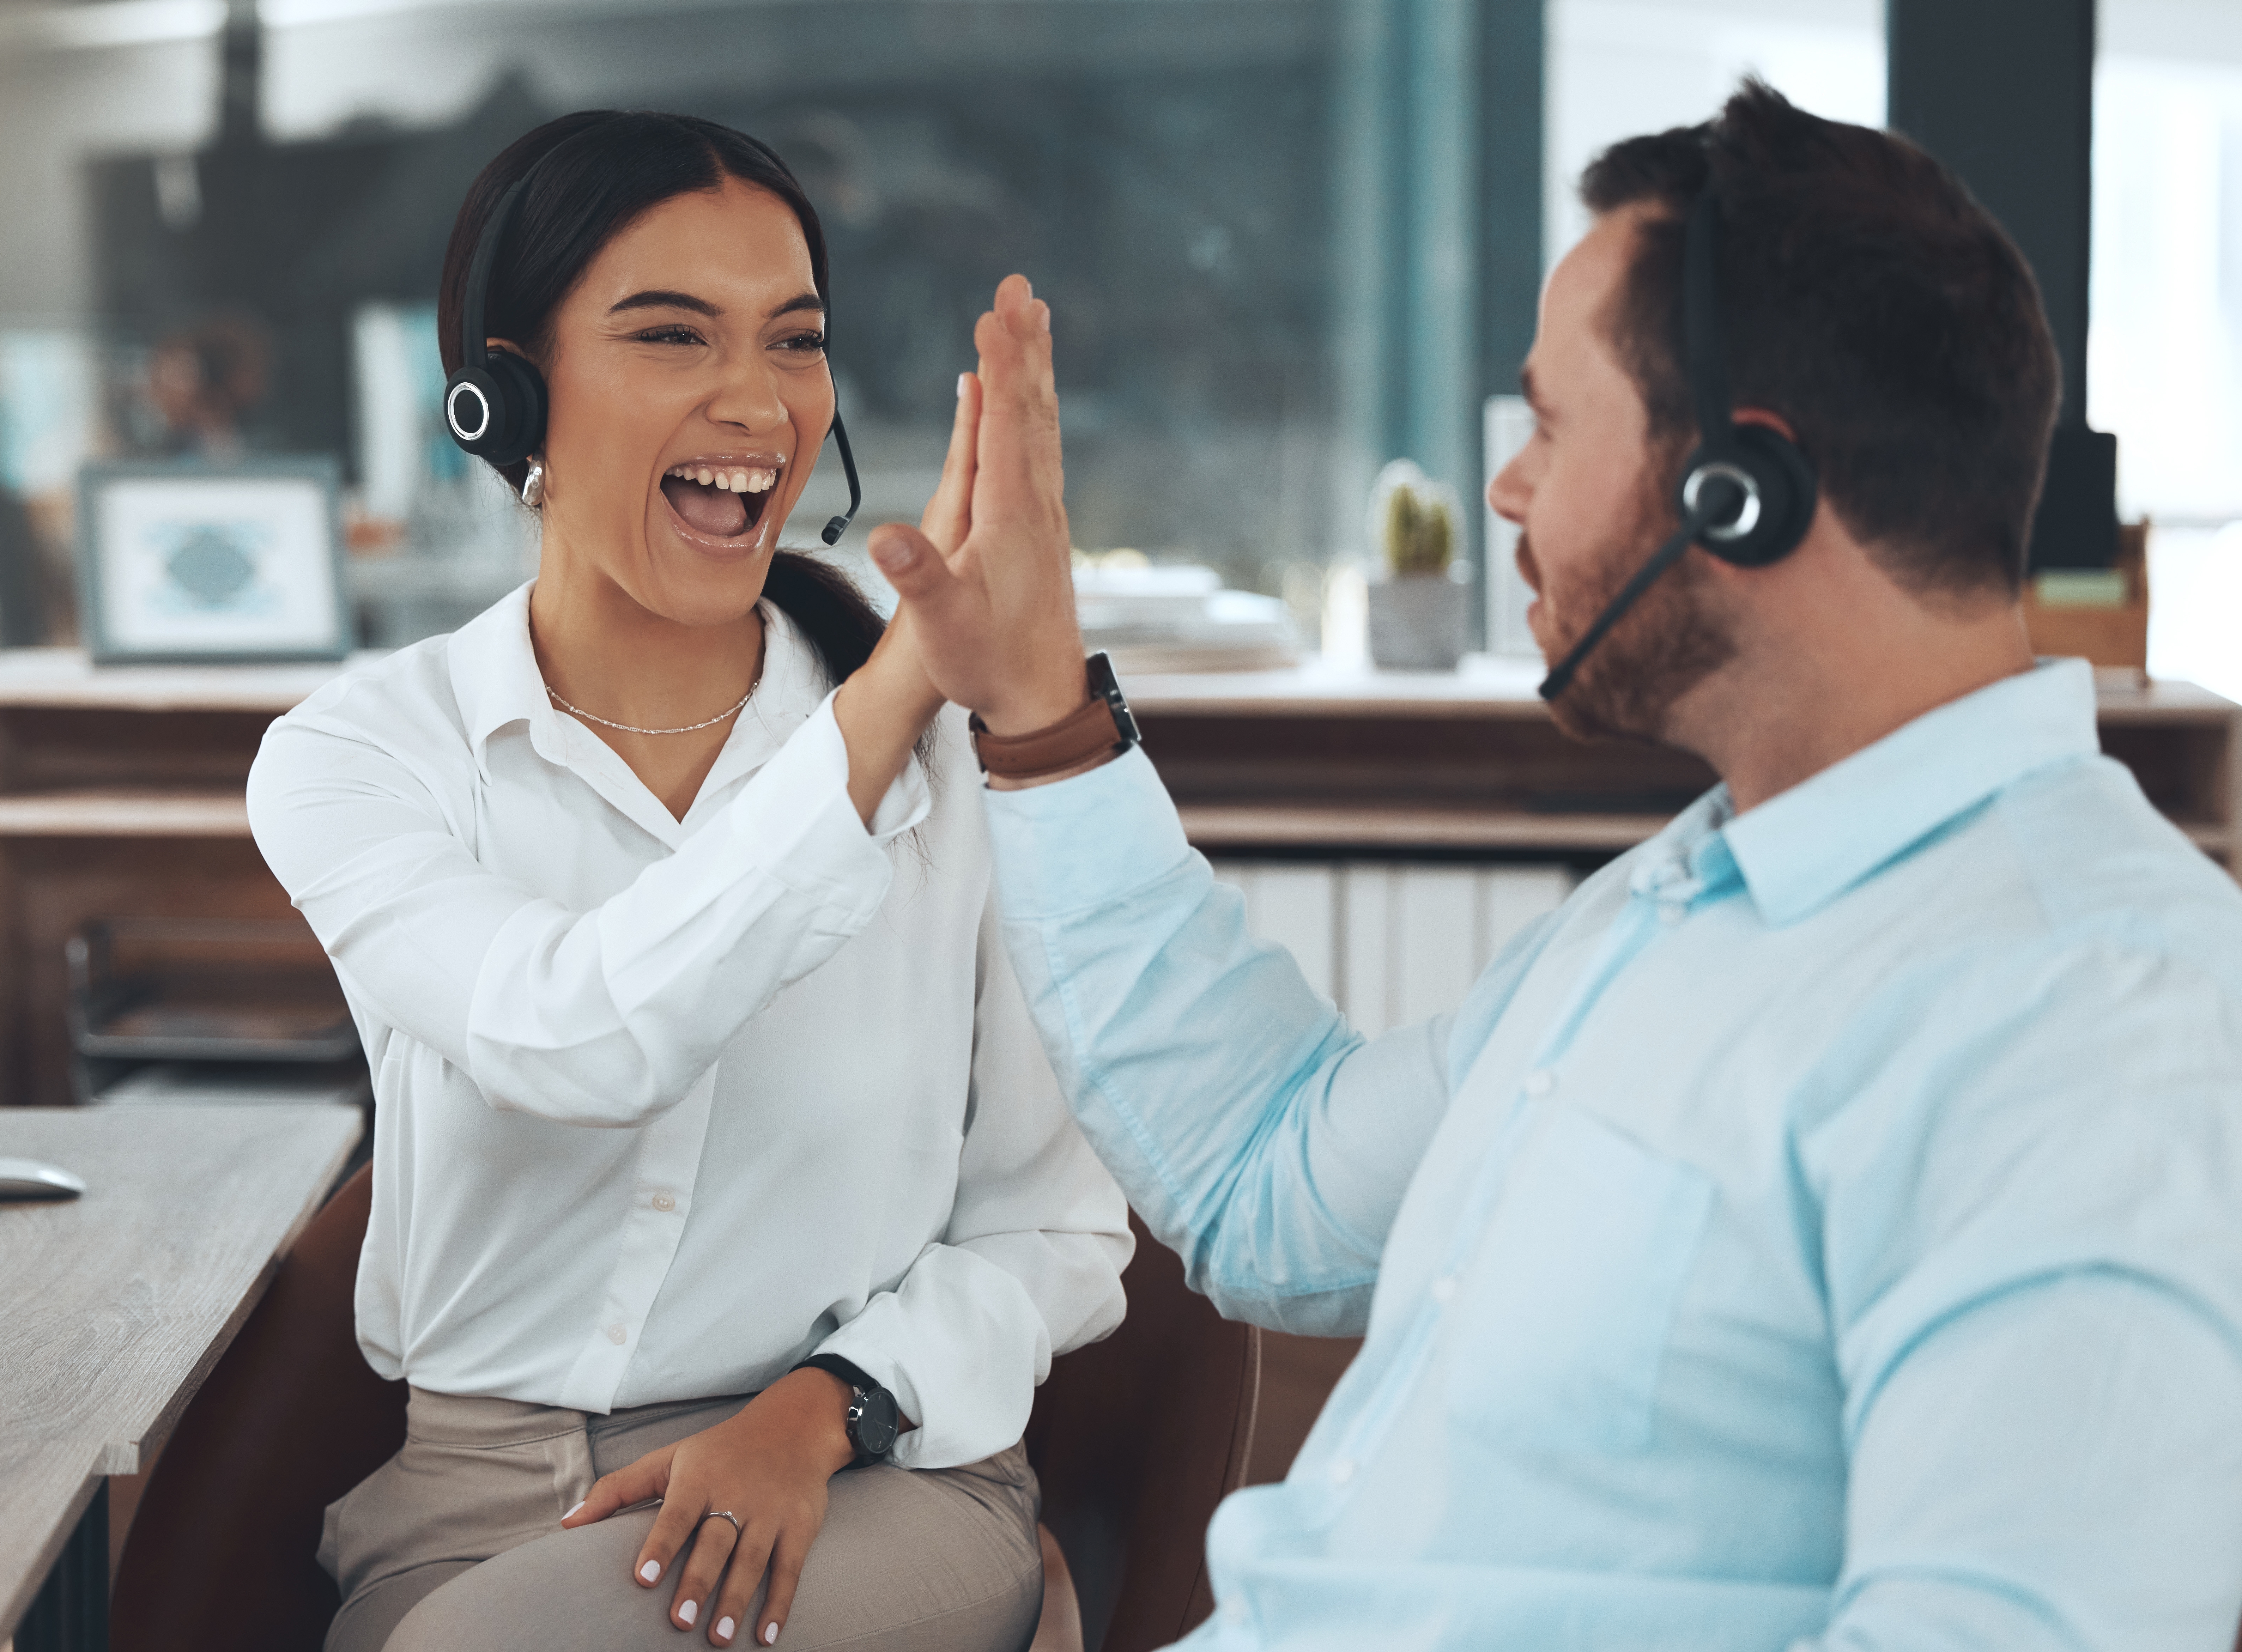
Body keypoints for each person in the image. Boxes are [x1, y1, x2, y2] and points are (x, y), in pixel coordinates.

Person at [869, 81, 2242, 1648]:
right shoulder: (1679, 902)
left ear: (1741, 486)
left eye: (1551, 423)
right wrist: (1039, 708)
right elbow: (1268, 1179)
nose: (1507, 486)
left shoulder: (2089, 1016)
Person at [245, 111, 1130, 1652]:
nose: (755, 401)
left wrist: (822, 1408)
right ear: (502, 392)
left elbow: (1052, 1231)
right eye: (670, 334)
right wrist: (880, 711)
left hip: (867, 1480)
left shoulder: (956, 755)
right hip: (472, 1498)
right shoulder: (361, 757)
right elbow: (572, 1035)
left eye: (794, 341)